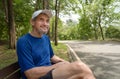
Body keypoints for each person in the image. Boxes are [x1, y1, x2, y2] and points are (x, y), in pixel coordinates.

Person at [16, 9, 96, 79]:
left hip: (51, 73)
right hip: (39, 76)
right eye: (41, 20)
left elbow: (52, 56)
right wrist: (57, 66)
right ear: (32, 22)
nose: (45, 24)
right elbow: (30, 74)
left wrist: (64, 62)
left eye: (47, 21)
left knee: (83, 73)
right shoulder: (23, 41)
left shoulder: (45, 38)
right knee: (81, 68)